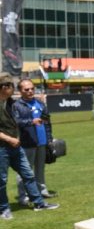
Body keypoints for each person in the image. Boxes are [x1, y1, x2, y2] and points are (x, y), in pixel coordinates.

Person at [0, 73, 59, 219]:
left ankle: (38, 202)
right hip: (2, 148)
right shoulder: (12, 103)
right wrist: (9, 139)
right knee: (2, 180)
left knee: (28, 174)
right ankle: (4, 209)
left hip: (16, 147)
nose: (14, 89)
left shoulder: (10, 103)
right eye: (12, 86)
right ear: (4, 87)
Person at [14, 80, 58, 206]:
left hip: (42, 141)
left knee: (40, 168)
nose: (30, 91)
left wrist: (49, 137)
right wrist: (31, 121)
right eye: (26, 89)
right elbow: (15, 122)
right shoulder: (17, 105)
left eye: (32, 89)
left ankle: (42, 191)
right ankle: (23, 197)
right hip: (27, 142)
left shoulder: (39, 103)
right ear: (19, 91)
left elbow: (47, 121)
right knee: (24, 170)